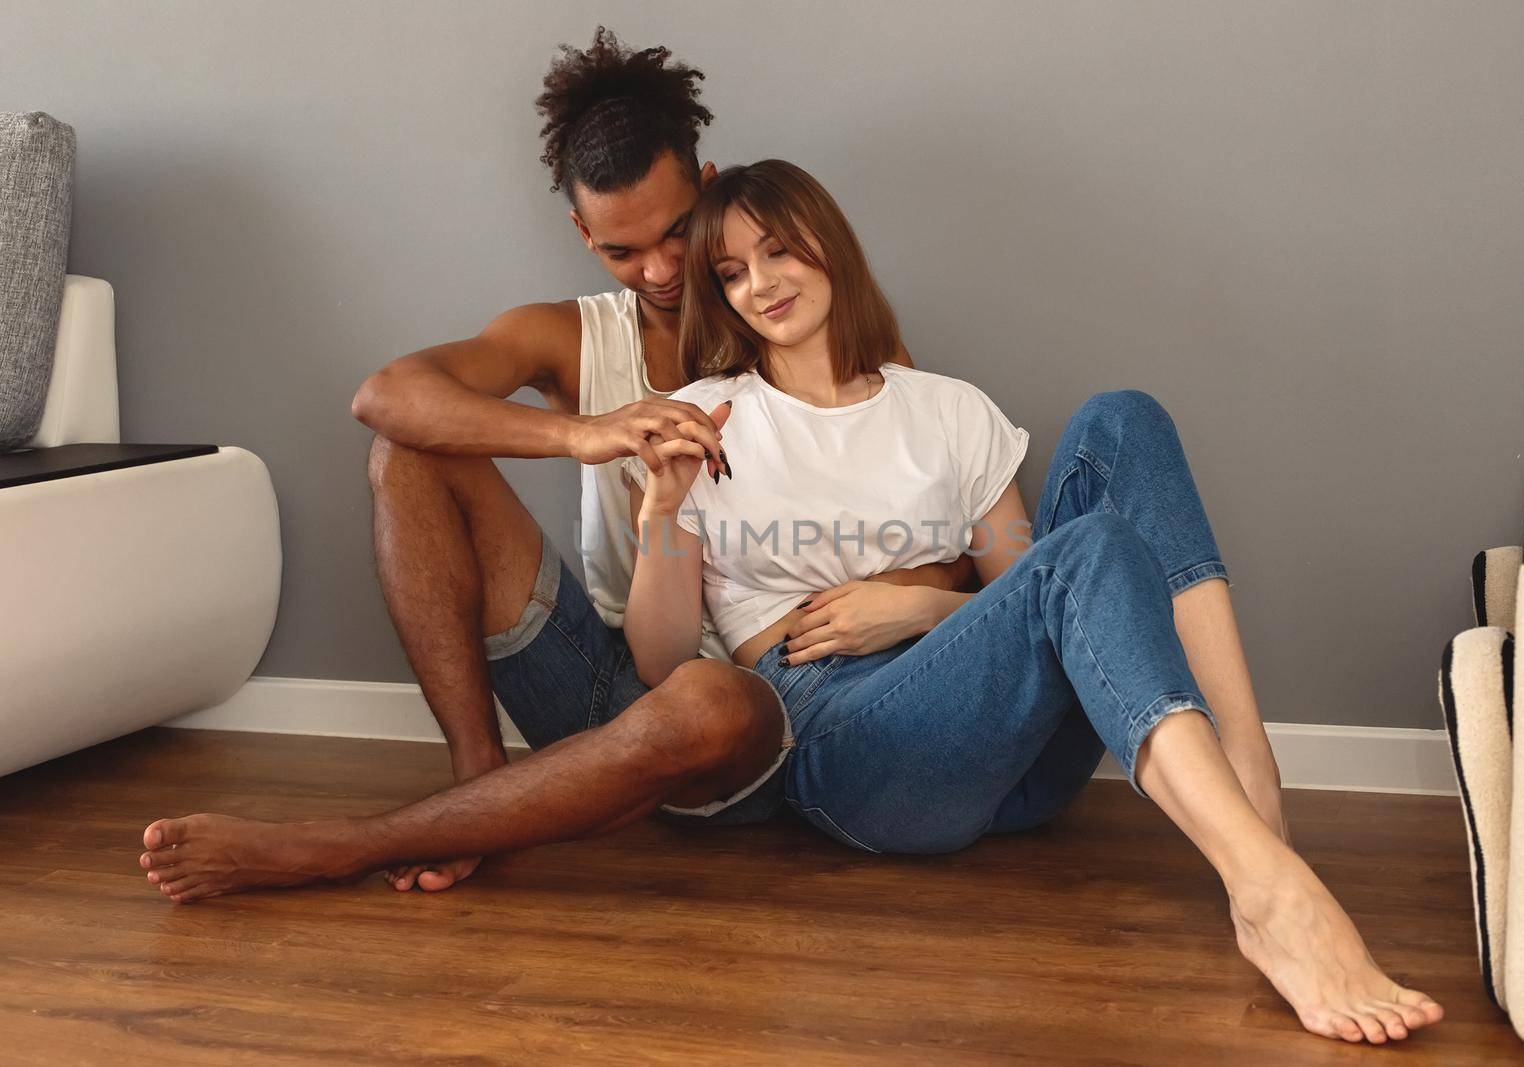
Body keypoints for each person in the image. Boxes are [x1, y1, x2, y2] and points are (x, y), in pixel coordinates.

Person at [618, 158, 1445, 1046]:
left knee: (1124, 420)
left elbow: (1022, 597)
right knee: (1083, 552)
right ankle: (1269, 888)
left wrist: (920, 612)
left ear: (829, 240)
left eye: (777, 249)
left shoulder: (948, 409)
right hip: (845, 742)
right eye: (732, 272)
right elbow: (664, 663)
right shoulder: (706, 418)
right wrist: (664, 506)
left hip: (1013, 764)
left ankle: (1254, 787)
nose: (761, 284)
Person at [136, 29, 968, 898]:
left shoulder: (812, 325)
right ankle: (477, 782)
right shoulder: (573, 338)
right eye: (620, 249)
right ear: (582, 232)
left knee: (708, 695)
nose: (657, 269)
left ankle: (339, 846)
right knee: (407, 452)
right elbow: (386, 393)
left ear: (710, 186)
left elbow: (941, 524)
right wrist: (585, 432)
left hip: (759, 708)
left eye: (678, 233)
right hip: (600, 675)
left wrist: (904, 595)